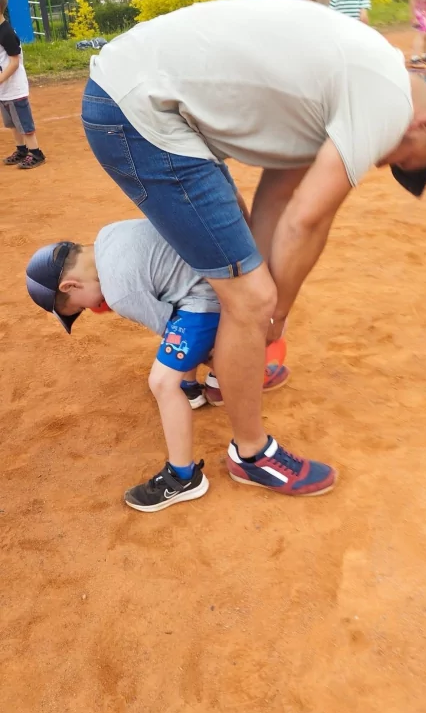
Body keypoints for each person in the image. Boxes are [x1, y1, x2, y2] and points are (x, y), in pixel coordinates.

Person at [80, 0, 426, 498]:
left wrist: (262, 305)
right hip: (138, 113)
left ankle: (228, 373)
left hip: (140, 93)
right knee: (252, 296)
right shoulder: (389, 100)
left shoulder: (359, 77)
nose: (382, 164)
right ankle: (251, 453)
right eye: (405, 159)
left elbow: (279, 195)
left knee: (244, 272)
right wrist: (274, 311)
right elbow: (308, 220)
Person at [25, 219, 289, 511]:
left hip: (208, 299)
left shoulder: (120, 293)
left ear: (70, 285)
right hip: (214, 275)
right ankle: (199, 387)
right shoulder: (109, 234)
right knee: (174, 316)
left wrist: (237, 364)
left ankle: (183, 476)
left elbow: (172, 330)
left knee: (162, 381)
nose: (90, 309)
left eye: (79, 307)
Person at [0, 0, 45, 169]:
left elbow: (14, 62)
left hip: (14, 88)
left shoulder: (6, 33)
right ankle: (21, 150)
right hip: (4, 90)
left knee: (24, 124)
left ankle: (36, 153)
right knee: (12, 124)